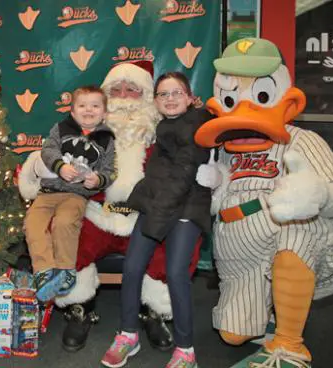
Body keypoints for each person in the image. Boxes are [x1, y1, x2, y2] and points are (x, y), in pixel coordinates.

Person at [194, 38, 333, 367]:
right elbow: (222, 197)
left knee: (297, 228)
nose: (245, 107)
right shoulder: (227, 148)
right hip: (240, 255)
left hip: (294, 240)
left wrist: (315, 195)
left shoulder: (304, 140)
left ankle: (290, 347)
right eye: (232, 98)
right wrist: (216, 188)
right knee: (233, 335)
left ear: (287, 101)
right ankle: (273, 312)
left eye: (260, 96)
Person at [19, 61, 201, 352]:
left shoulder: (163, 131)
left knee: (170, 247)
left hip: (143, 217)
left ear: (146, 99)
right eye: (116, 90)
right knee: (67, 232)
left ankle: (155, 311)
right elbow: (50, 154)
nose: (124, 96)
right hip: (96, 212)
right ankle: (80, 308)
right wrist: (36, 170)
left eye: (132, 90)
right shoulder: (85, 132)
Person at [101, 72, 212, 368]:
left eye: (177, 93)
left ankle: (186, 350)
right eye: (164, 94)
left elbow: (181, 178)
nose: (170, 99)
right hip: (157, 206)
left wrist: (156, 220)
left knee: (176, 273)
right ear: (156, 100)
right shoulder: (163, 126)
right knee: (133, 266)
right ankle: (128, 334)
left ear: (189, 98)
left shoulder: (197, 126)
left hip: (186, 208)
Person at [24, 85, 115, 302]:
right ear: (73, 112)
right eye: (82, 106)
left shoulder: (107, 139)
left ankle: (65, 272)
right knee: (32, 224)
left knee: (65, 222)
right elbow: (48, 150)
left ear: (104, 113)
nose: (88, 110)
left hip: (76, 194)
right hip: (48, 192)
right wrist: (59, 166)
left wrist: (97, 181)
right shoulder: (61, 128)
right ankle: (44, 272)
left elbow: (109, 171)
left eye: (95, 106)